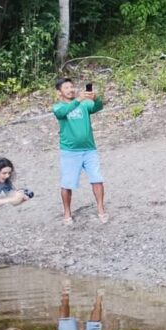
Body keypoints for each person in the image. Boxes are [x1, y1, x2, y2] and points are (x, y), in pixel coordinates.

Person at [53, 78, 108, 224]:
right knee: (67, 183)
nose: (70, 89)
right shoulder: (58, 107)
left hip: (90, 149)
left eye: (72, 86)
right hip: (70, 151)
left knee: (97, 179)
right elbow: (61, 113)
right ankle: (67, 213)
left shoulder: (84, 105)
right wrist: (78, 100)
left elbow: (98, 107)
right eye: (66, 88)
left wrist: (95, 98)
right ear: (59, 92)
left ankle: (101, 209)